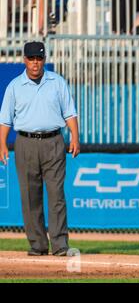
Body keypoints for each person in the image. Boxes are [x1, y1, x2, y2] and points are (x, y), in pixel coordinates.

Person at [0, 41, 80, 257]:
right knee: (29, 195)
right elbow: (5, 120)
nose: (35, 63)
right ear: (24, 59)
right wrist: (2, 145)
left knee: (56, 195)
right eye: (31, 58)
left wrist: (75, 137)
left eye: (39, 58)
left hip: (53, 141)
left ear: (44, 59)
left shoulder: (57, 82)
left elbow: (70, 113)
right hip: (25, 143)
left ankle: (60, 244)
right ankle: (37, 244)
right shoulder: (15, 86)